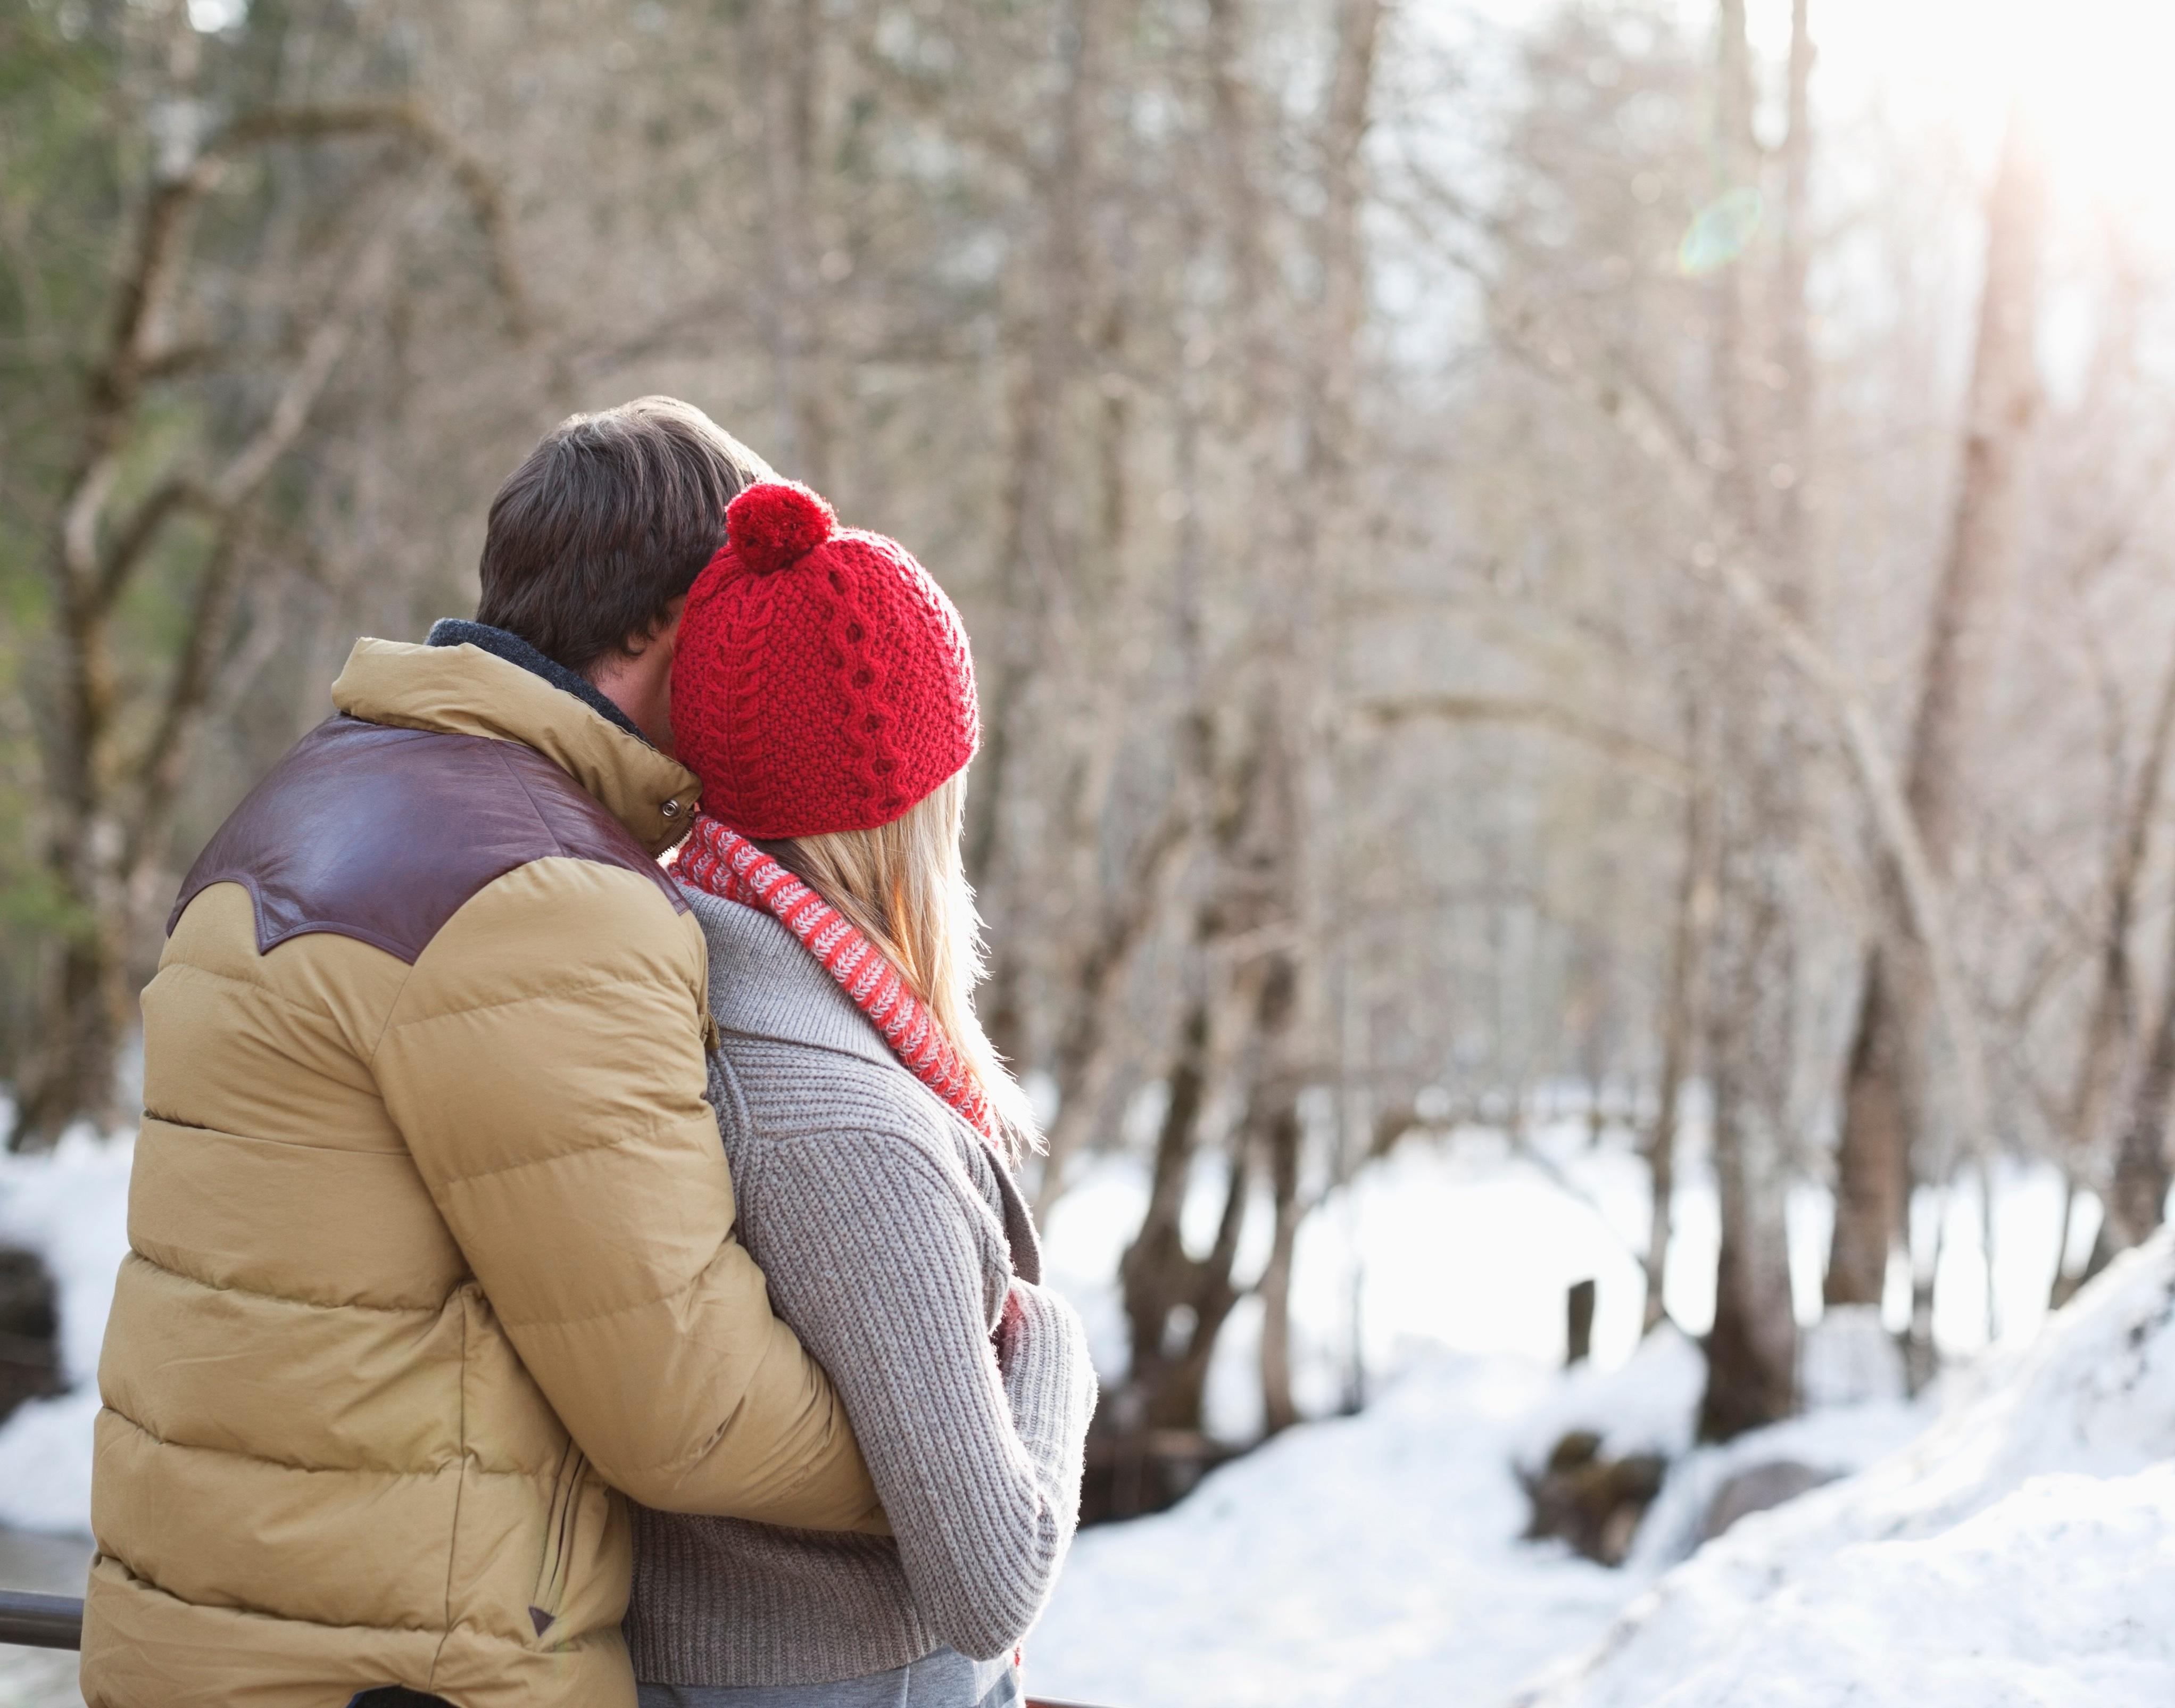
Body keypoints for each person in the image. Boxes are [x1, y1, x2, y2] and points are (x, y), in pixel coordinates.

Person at [81, 400, 888, 1708]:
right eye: (743, 611)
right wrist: (960, 1465)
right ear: (673, 618)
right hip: (407, 1672)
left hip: (204, 1645)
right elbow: (687, 1407)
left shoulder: (301, 797)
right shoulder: (544, 895)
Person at [623, 480, 1095, 1708]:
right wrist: (1054, 1350)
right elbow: (990, 1585)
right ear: (901, 811)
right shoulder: (838, 1125)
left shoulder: (694, 982)